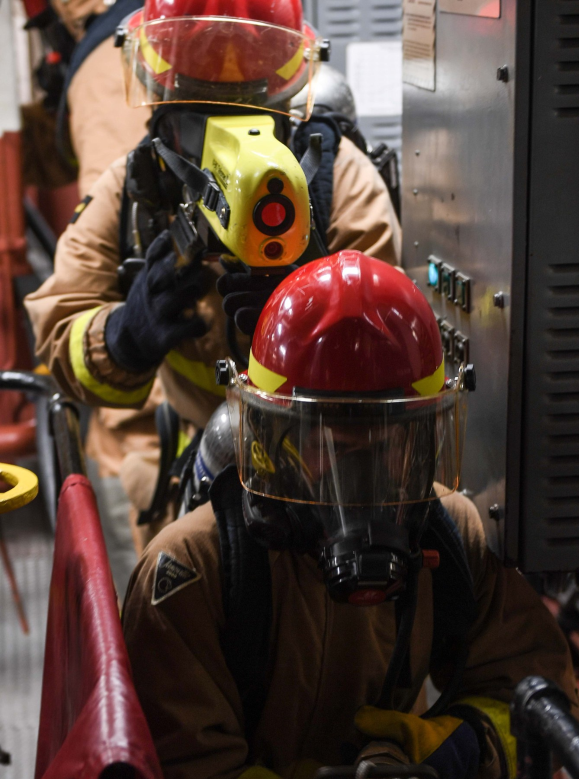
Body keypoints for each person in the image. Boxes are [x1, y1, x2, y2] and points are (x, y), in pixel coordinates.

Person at [122, 251, 579, 779]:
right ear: (269, 437)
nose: (357, 477)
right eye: (324, 444)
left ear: (427, 435)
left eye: (386, 443)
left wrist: (449, 754)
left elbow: (542, 702)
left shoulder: (451, 537)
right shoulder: (192, 571)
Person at [24, 0, 400, 549]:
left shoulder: (340, 183)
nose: (223, 143)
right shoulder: (133, 190)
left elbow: (394, 367)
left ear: (283, 104)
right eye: (199, 114)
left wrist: (314, 319)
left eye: (248, 112)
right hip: (186, 466)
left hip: (332, 480)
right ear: (164, 107)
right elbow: (61, 331)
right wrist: (125, 336)